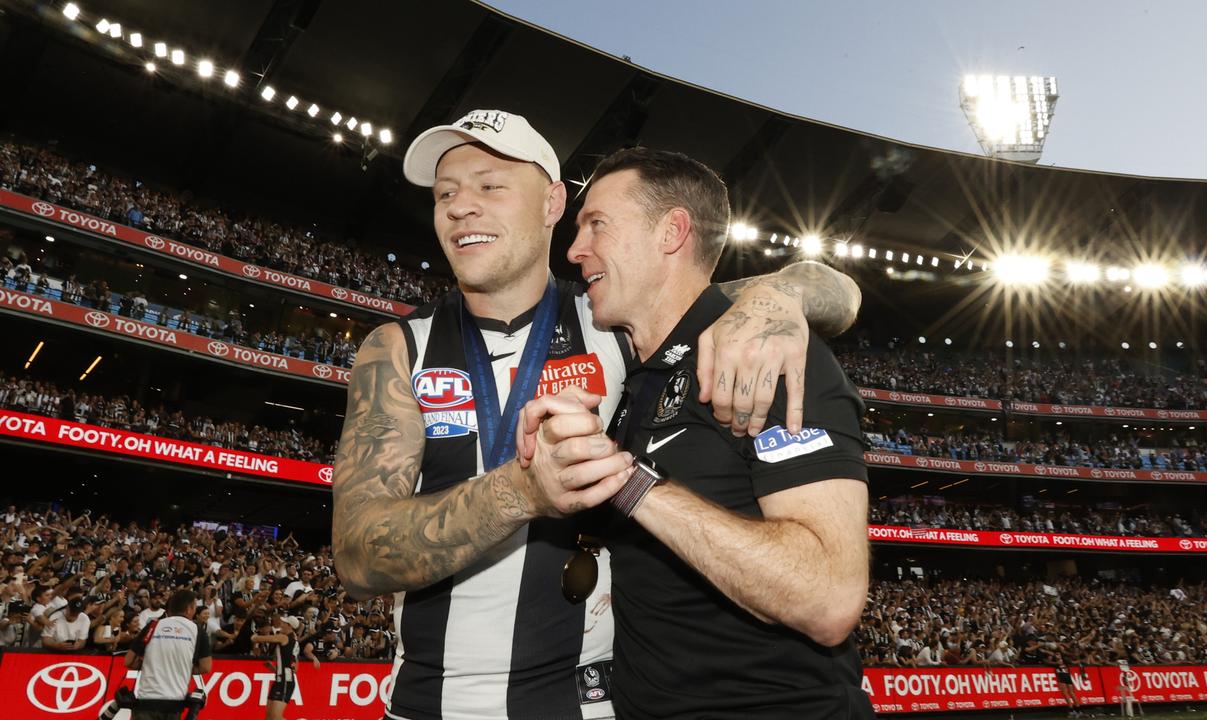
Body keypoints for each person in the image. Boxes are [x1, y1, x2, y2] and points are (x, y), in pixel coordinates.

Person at [332, 109, 861, 720]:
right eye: (445, 192)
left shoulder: (615, 321)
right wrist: (520, 493)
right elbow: (356, 556)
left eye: (490, 185)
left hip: (592, 707)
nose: (460, 206)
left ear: (553, 203)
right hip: (431, 702)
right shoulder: (397, 348)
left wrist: (780, 294)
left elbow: (832, 292)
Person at [554, 147, 873, 717]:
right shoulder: (640, 374)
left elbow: (828, 599)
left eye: (597, 224)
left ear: (672, 232)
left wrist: (630, 486)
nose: (576, 249)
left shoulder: (760, 353)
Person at [124, 589, 211, 720]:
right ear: (189, 609)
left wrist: (152, 664)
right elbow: (206, 667)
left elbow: (129, 661)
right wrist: (181, 667)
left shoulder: (153, 626)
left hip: (146, 700)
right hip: (174, 702)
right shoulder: (197, 630)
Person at [251, 613, 301, 720]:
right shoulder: (293, 641)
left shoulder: (284, 638)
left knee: (275, 717)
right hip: (281, 681)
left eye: (284, 623)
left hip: (285, 682)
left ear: (289, 626)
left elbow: (259, 639)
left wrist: (255, 636)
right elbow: (294, 668)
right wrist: (275, 669)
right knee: (269, 717)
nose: (281, 624)